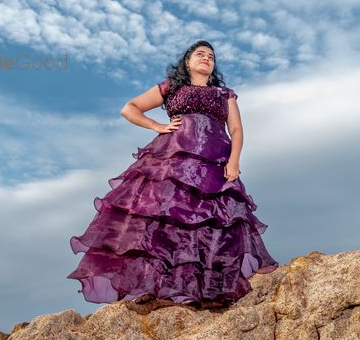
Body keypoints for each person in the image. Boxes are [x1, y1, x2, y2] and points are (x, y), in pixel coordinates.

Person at [67, 40, 277, 313]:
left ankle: (206, 292)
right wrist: (157, 125)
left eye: (211, 56)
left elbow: (236, 130)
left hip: (214, 164)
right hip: (174, 160)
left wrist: (234, 160)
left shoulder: (225, 94)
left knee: (214, 224)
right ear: (187, 62)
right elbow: (129, 108)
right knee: (167, 221)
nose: (206, 58)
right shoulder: (172, 87)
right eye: (200, 54)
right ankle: (161, 289)